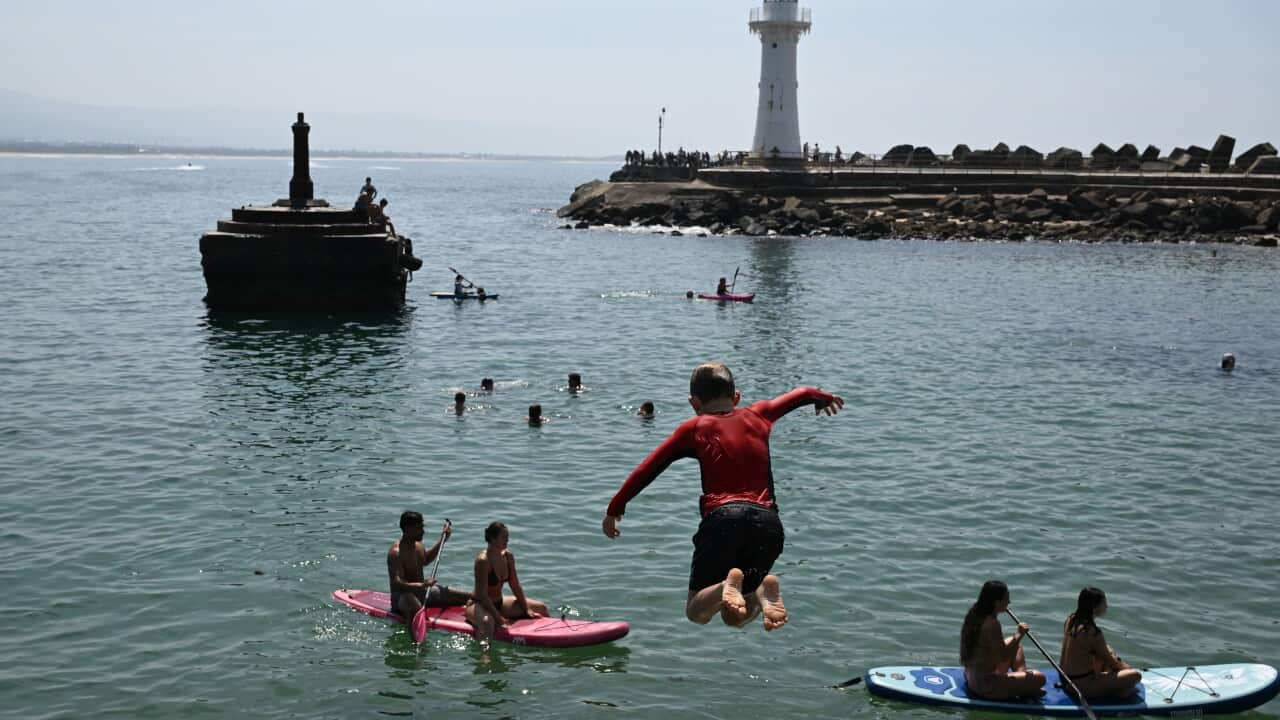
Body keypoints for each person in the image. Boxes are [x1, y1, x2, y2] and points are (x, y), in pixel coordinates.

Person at [601, 362, 843, 631]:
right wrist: (823, 399)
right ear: (736, 397)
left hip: (723, 519)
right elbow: (802, 393)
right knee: (734, 617)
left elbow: (649, 468)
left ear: (694, 403)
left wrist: (615, 507)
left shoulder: (694, 428)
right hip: (767, 522)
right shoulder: (759, 415)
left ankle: (726, 587)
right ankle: (761, 592)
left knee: (697, 611)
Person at [959, 580, 1046, 700]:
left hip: (971, 676)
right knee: (1040, 677)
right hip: (985, 686)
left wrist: (1015, 640)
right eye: (1006, 599)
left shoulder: (974, 613)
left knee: (1015, 644)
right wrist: (1019, 635)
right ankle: (1026, 687)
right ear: (996, 602)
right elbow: (1002, 658)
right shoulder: (992, 624)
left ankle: (1025, 686)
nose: (1009, 602)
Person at [465, 522, 549, 641]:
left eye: (508, 537)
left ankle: (547, 637)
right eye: (504, 537)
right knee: (488, 622)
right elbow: (482, 595)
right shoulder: (483, 561)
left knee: (541, 608)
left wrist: (526, 609)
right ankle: (485, 657)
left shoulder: (508, 556)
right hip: (479, 605)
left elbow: (515, 585)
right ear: (493, 539)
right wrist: (498, 618)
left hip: (499, 604)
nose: (507, 540)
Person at [1059, 587, 1142, 700]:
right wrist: (1126, 667)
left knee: (1109, 649)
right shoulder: (1093, 633)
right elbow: (1112, 662)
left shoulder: (1071, 619)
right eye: (1104, 603)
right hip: (1080, 687)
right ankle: (1119, 696)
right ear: (1094, 607)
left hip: (1065, 679)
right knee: (1135, 676)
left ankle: (1112, 686)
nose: (1106, 606)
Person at [387, 512, 471, 621]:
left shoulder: (418, 545)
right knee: (409, 598)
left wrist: (442, 540)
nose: (423, 531)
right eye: (419, 528)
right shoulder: (396, 553)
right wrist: (422, 585)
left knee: (470, 596)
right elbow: (397, 584)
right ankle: (419, 624)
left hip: (424, 593)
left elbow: (425, 560)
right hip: (403, 598)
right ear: (408, 528)